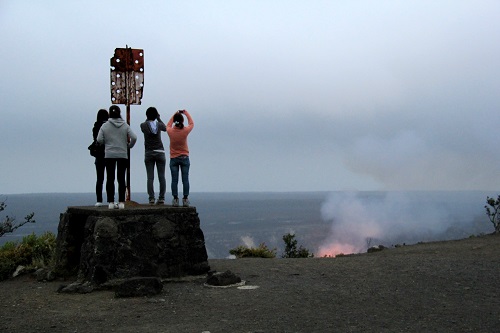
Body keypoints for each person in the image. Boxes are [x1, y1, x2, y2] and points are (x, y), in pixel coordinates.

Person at [97, 105, 137, 209]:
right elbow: (134, 137)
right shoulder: (125, 125)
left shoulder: (105, 126)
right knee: (121, 178)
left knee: (110, 178)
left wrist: (107, 143)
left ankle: (110, 202)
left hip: (109, 154)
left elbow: (99, 139)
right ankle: (121, 202)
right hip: (122, 154)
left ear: (110, 114)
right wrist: (129, 146)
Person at [166, 109, 194, 207]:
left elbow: (168, 125)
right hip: (184, 158)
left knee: (174, 180)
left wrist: (175, 113)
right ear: (182, 121)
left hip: (173, 158)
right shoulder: (185, 131)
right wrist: (185, 112)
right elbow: (191, 123)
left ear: (174, 121)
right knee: (185, 179)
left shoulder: (170, 131)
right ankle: (185, 199)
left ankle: (175, 199)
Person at [140, 107, 167, 205]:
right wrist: (159, 118)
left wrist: (149, 118)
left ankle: (151, 198)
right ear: (156, 115)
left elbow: (145, 125)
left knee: (150, 177)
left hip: (149, 153)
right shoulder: (159, 125)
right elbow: (166, 128)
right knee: (161, 176)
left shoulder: (143, 125)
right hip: (160, 152)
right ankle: (162, 198)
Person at [92, 109, 109, 207]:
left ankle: (99, 200)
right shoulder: (108, 126)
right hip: (109, 153)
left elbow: (96, 139)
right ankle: (111, 199)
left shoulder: (95, 127)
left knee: (99, 178)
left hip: (99, 155)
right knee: (110, 178)